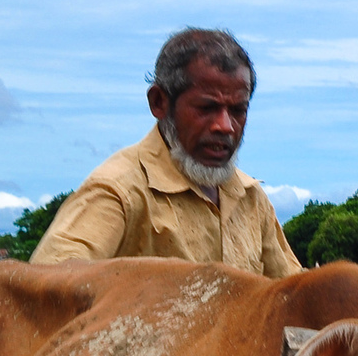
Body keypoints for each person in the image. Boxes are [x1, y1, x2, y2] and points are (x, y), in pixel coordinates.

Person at [32, 28, 301, 277]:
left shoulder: (250, 197)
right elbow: (47, 283)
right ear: (159, 103)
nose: (225, 126)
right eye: (206, 108)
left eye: (238, 110)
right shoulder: (120, 190)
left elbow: (297, 294)